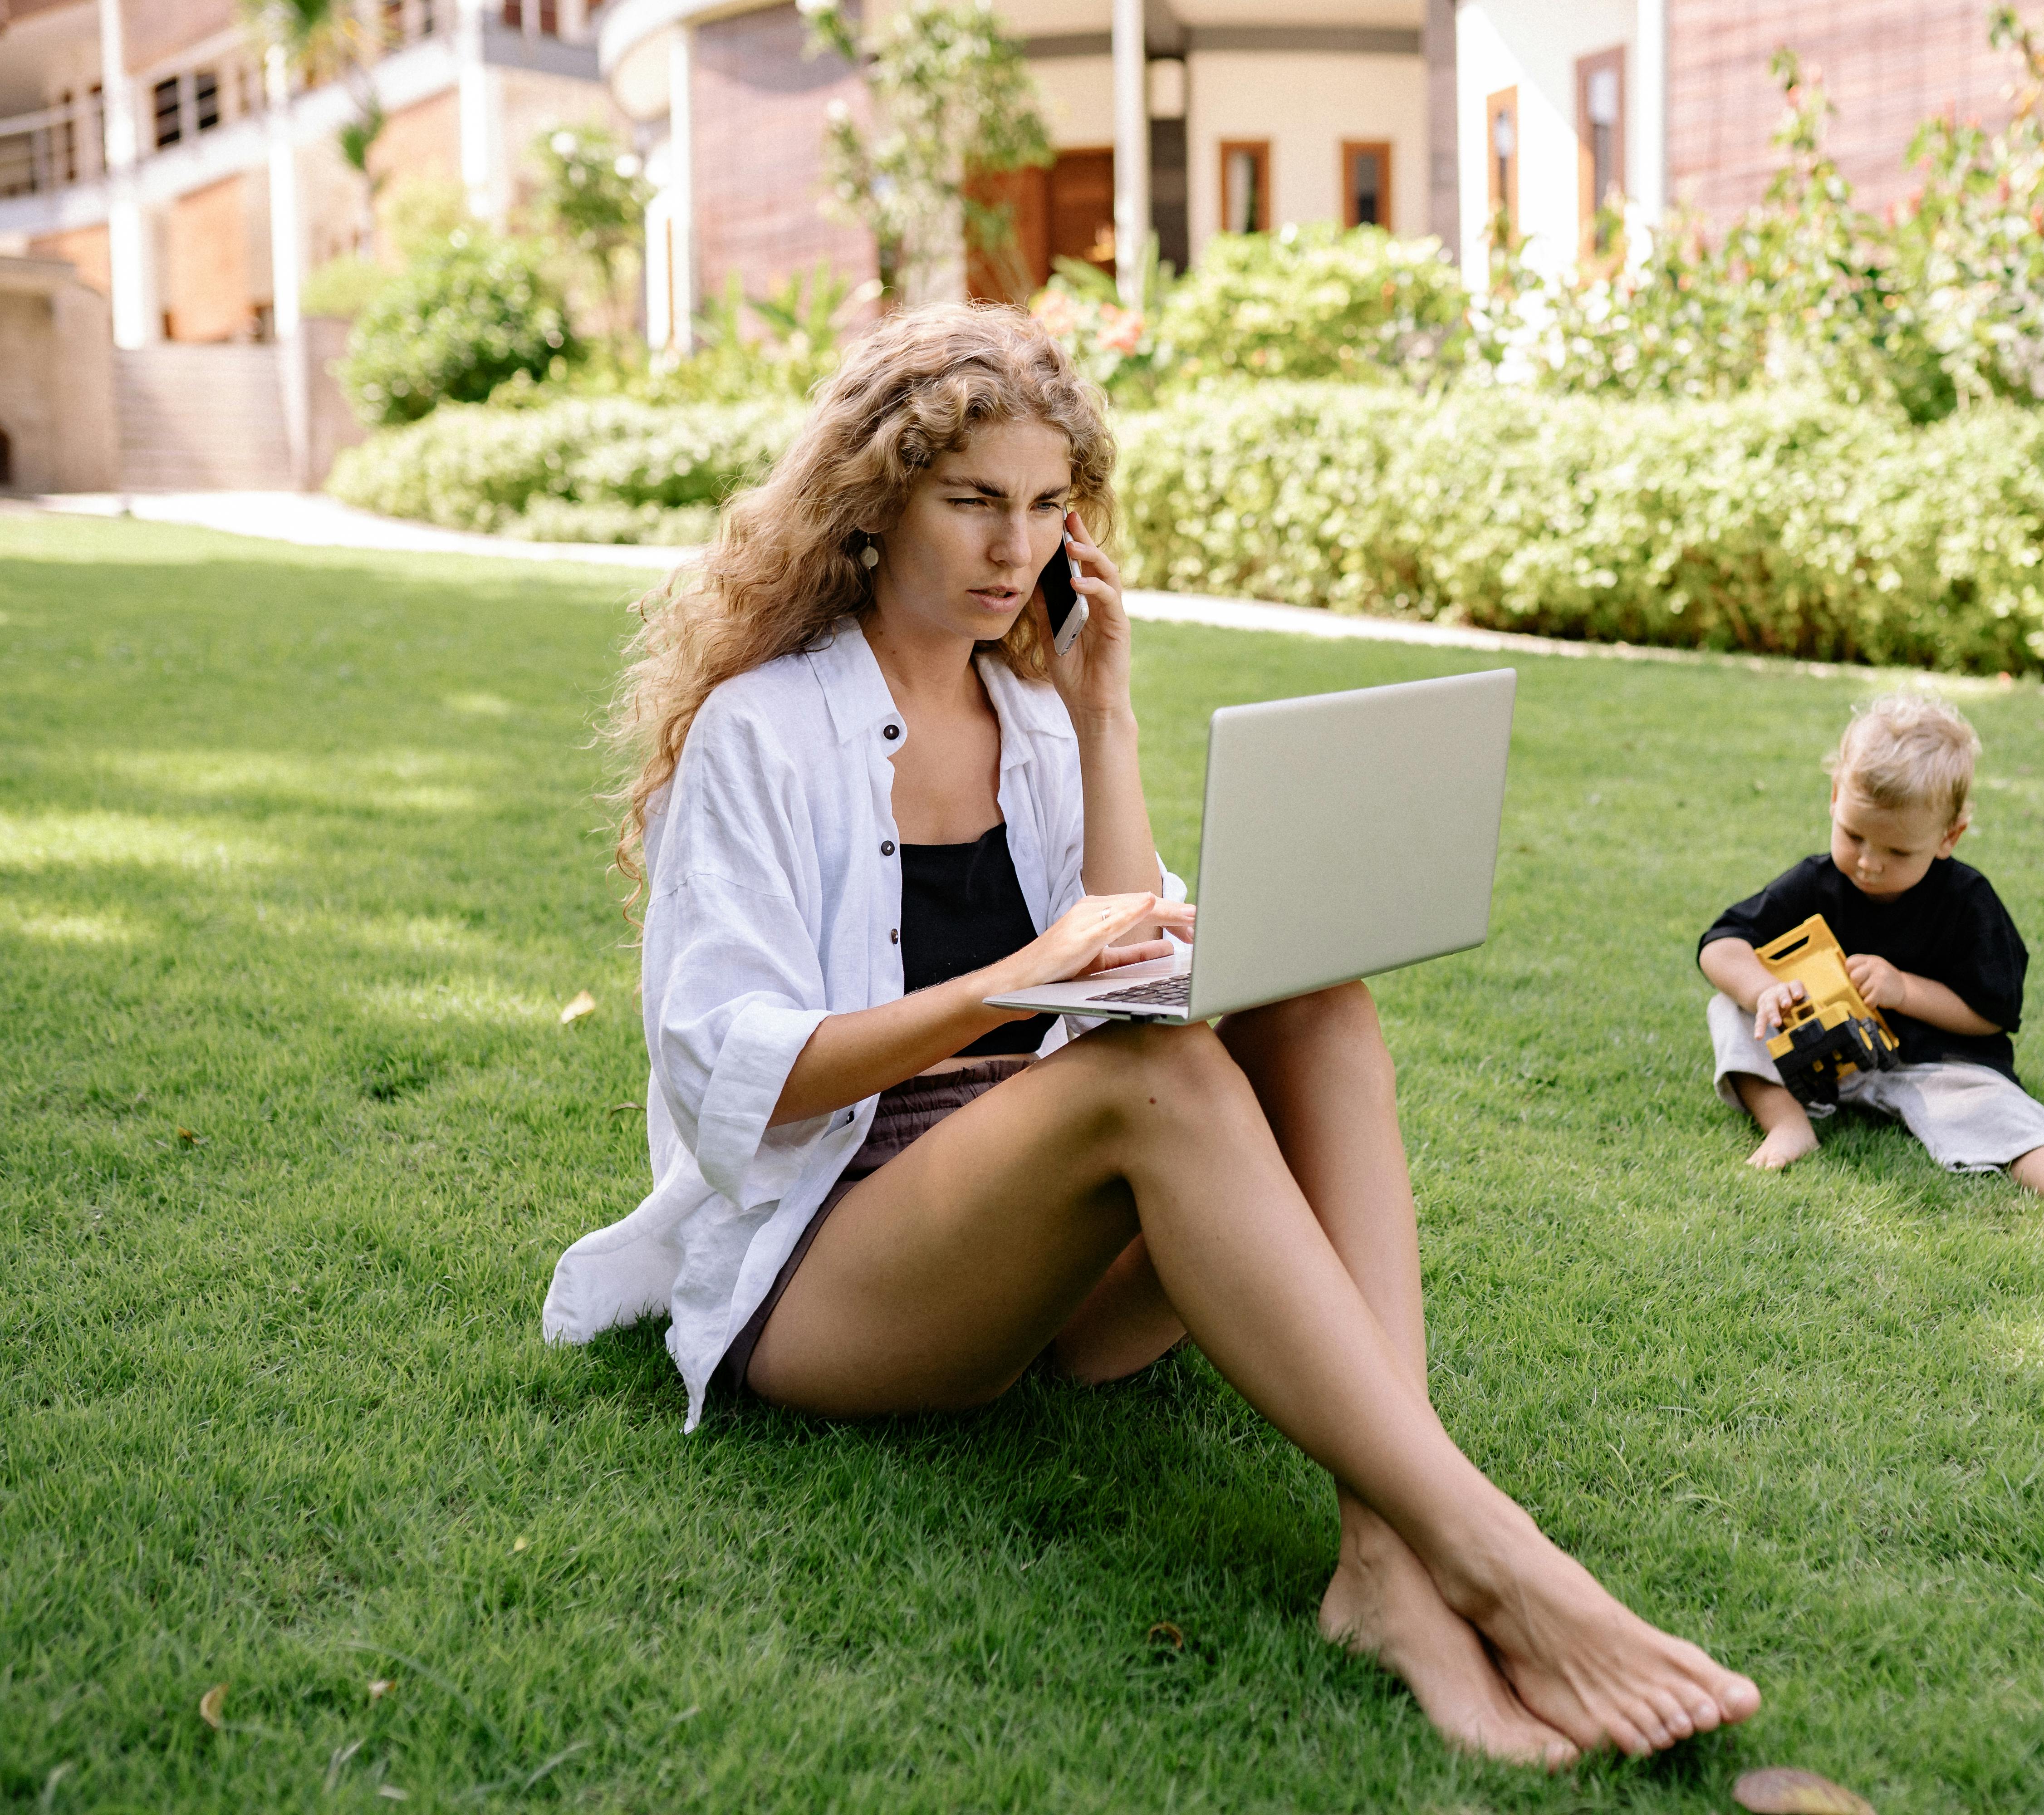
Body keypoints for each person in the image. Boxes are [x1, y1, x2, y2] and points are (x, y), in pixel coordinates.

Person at [541, 303, 1758, 1764]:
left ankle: (1384, 1554)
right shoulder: (762, 728)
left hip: (1041, 1245)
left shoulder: (1033, 711)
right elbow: (739, 1074)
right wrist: (1007, 983)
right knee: (1158, 1077)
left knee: (1315, 996)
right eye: (974, 503)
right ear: (872, 508)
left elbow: (1120, 949)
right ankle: (1494, 1556)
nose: (1017, 549)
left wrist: (1104, 713)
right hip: (837, 1272)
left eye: (1050, 507)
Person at [1696, 692, 2044, 1232]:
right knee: (1728, 1009)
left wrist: (1903, 990)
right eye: (1854, 836)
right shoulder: (1817, 881)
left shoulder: (1968, 903)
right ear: (1833, 799)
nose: (1869, 863)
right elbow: (1722, 943)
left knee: (2005, 1110)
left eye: (1898, 853)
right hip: (1822, 1054)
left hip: (1933, 1064)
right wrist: (1762, 991)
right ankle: (1786, 1124)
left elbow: (1992, 1012)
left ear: (1949, 837)